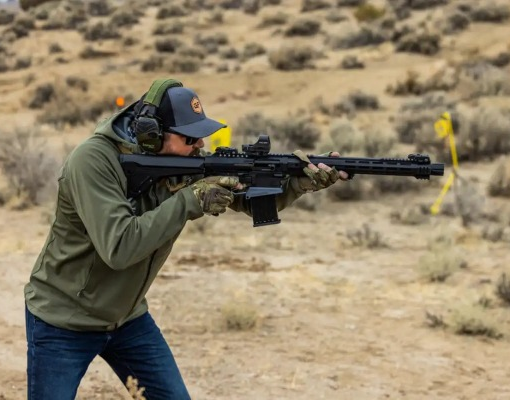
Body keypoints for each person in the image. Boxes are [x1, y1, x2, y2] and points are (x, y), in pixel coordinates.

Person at [23, 78, 349, 400]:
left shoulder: (185, 161)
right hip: (63, 322)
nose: (199, 147)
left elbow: (250, 201)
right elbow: (119, 247)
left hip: (128, 318)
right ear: (151, 135)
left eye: (201, 138)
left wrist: (300, 184)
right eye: (189, 138)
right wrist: (191, 200)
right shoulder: (92, 161)